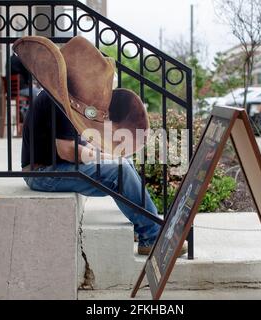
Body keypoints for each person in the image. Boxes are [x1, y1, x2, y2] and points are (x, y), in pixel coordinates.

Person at [14, 35, 186, 256]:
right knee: (120, 171)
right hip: (43, 174)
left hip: (51, 168)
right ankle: (152, 238)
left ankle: (145, 225)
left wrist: (104, 155)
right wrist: (102, 157)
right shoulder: (58, 102)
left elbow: (79, 145)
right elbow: (67, 150)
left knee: (122, 163)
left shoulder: (61, 98)